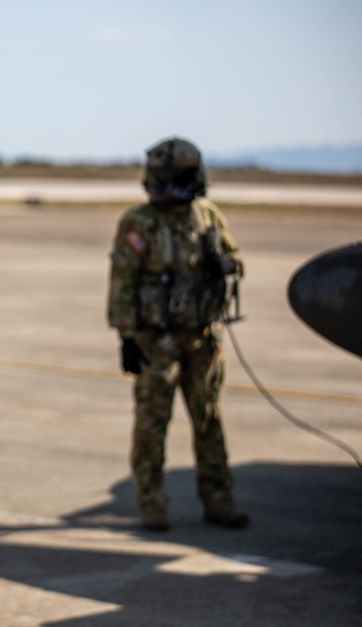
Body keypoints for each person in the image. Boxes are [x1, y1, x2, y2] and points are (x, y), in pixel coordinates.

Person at [106, 136, 249, 532]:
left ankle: (219, 498)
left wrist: (225, 265)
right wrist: (128, 338)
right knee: (153, 423)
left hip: (204, 338)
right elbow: (123, 282)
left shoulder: (208, 216)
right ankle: (152, 502)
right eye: (162, 179)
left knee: (209, 420)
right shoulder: (140, 223)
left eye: (176, 179)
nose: (169, 189)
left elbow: (236, 261)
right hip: (158, 342)